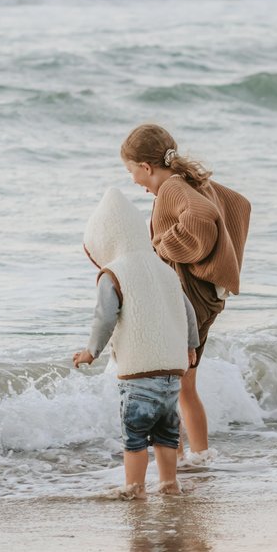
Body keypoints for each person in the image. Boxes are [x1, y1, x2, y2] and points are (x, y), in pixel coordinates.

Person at [120, 123, 251, 458]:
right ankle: (200, 458)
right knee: (184, 386)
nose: (133, 179)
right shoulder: (192, 181)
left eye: (131, 171)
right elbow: (238, 204)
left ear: (146, 168)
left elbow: (201, 216)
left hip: (188, 300)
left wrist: (162, 247)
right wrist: (222, 260)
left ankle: (175, 460)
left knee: (172, 386)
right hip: (205, 298)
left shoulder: (172, 189)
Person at [72, 186, 199, 497]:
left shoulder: (113, 274)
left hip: (139, 372)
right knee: (167, 433)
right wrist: (190, 347)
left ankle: (134, 487)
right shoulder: (164, 269)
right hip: (172, 370)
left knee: (135, 434)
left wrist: (92, 352)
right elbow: (188, 311)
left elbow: (105, 317)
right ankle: (169, 483)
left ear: (104, 240)